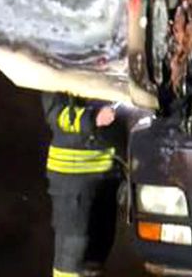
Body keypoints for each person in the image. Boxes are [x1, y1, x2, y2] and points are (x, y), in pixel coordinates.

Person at [42, 92, 123, 277]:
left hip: (107, 173)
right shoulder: (57, 76)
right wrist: (93, 118)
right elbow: (56, 114)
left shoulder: (104, 76)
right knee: (73, 249)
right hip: (72, 176)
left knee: (99, 247)